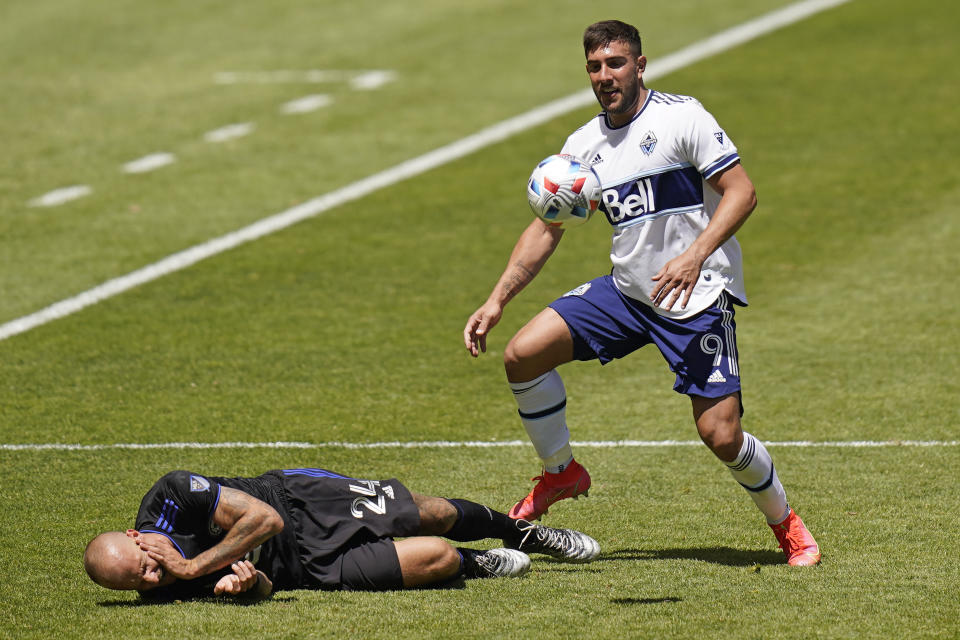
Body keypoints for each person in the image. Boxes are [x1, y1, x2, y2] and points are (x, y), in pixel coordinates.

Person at [463, 20, 820, 566]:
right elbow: (547, 227)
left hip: (694, 298)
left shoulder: (682, 117)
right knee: (522, 355)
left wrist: (694, 255)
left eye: (615, 64)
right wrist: (497, 299)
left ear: (640, 65)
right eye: (595, 67)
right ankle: (562, 473)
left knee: (721, 435)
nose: (605, 76)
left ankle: (787, 524)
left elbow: (741, 193)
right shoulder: (583, 146)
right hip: (629, 294)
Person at [84, 467, 600, 599]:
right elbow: (265, 588)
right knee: (439, 556)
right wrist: (249, 587)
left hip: (300, 504)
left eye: (146, 566)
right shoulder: (157, 590)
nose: (154, 578)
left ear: (136, 535)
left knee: (433, 513)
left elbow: (266, 520)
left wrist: (194, 566)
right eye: (141, 584)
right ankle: (476, 561)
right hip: (303, 569)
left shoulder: (173, 496)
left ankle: (521, 532)